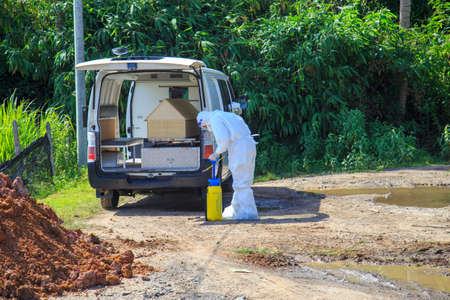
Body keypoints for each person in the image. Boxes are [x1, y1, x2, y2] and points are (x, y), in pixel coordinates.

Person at [197, 110, 258, 220]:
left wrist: (215, 153)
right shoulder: (225, 115)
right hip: (248, 145)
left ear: (204, 121)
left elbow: (223, 141)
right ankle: (238, 210)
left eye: (205, 126)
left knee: (241, 182)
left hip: (240, 148)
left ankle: (248, 213)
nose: (207, 128)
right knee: (242, 181)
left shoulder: (215, 119)